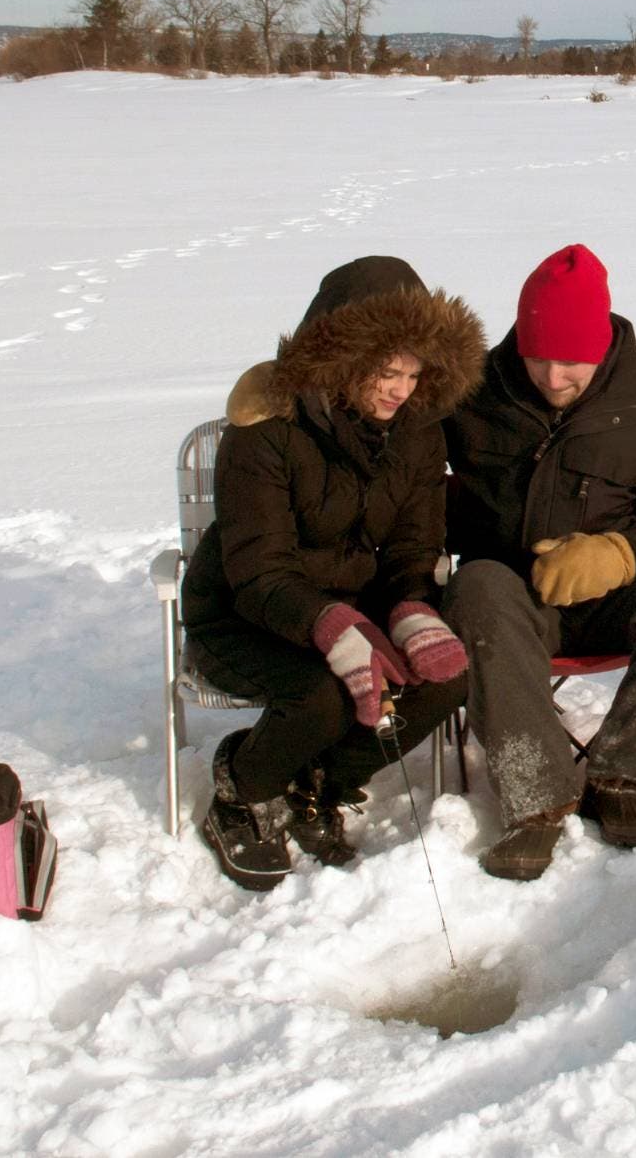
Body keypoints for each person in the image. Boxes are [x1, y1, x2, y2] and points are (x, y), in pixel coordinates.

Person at [443, 242, 636, 880]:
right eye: (538, 357)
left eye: (572, 360)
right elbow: (379, 415)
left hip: (618, 600)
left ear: (603, 345)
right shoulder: (470, 398)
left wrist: (621, 551)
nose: (553, 376)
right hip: (513, 602)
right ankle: (535, 800)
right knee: (476, 584)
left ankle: (625, 775)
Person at [183, 255, 486, 890]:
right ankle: (240, 789)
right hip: (246, 611)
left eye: (411, 373)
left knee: (443, 681)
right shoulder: (265, 433)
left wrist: (410, 608)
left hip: (358, 607)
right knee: (321, 696)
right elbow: (258, 567)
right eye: (384, 370)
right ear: (341, 357)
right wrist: (329, 624)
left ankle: (322, 781)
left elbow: (414, 545)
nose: (399, 390)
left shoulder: (417, 434)